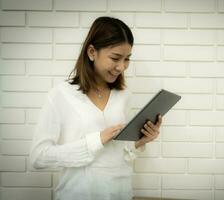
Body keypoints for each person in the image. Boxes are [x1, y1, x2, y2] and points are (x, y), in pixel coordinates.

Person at [29, 16, 162, 200]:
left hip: (120, 193)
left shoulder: (124, 95)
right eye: (115, 58)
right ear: (92, 52)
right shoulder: (61, 95)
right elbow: (38, 157)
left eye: (127, 59)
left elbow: (120, 153)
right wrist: (95, 141)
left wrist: (140, 141)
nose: (121, 67)